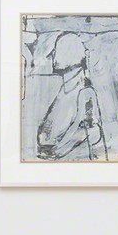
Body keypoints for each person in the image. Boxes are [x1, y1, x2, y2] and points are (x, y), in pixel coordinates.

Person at [36, 33, 108, 161]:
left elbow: (91, 132)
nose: (52, 55)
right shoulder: (65, 91)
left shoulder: (83, 92)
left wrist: (55, 152)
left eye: (56, 50)